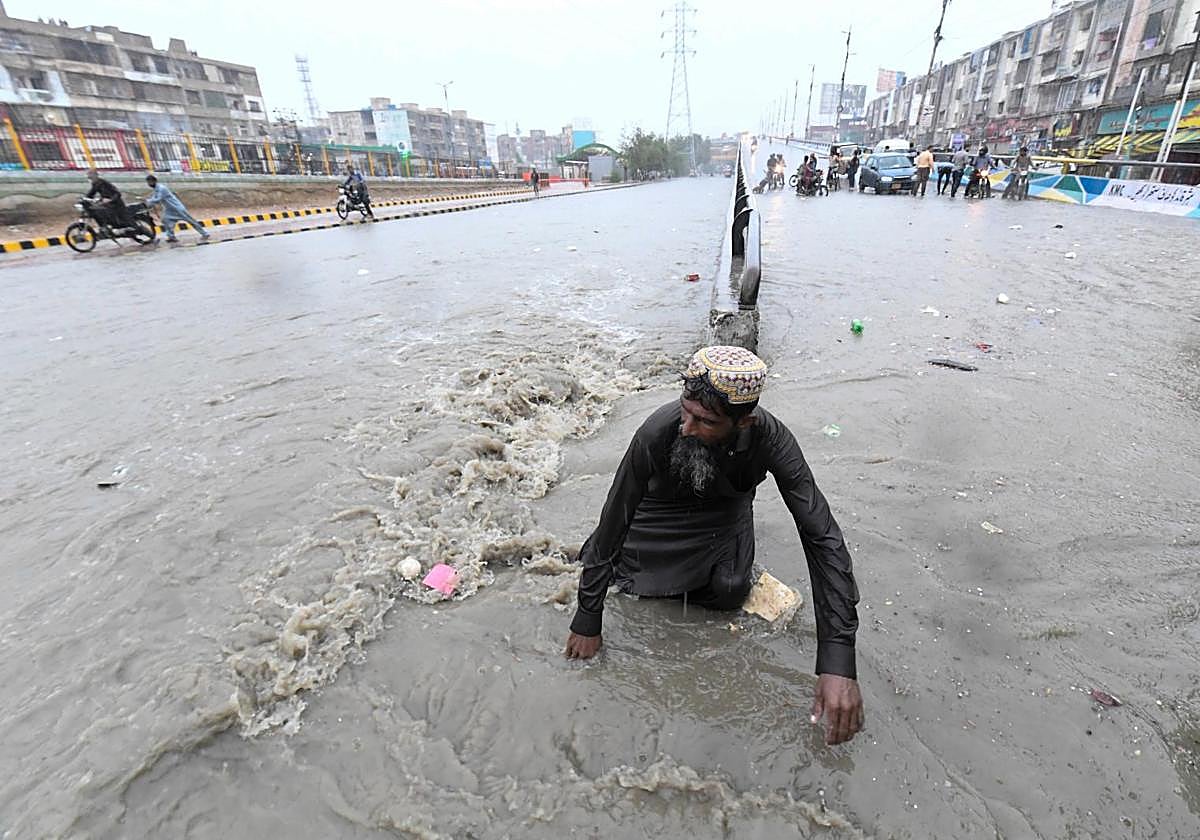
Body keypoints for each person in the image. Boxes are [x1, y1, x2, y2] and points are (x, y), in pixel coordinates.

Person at [564, 346, 865, 746]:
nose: (687, 427)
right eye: (685, 410)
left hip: (724, 514)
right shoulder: (657, 431)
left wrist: (838, 661)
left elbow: (821, 536)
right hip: (656, 516)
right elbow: (614, 518)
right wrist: (588, 618)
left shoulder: (772, 440)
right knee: (628, 579)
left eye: (706, 421)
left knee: (728, 589)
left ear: (744, 422)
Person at [144, 175, 209, 242]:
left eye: (149, 182)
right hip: (169, 209)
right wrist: (148, 203)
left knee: (191, 221)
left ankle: (205, 233)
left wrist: (148, 201)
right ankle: (171, 237)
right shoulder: (156, 189)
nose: (148, 184)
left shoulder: (162, 188)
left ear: (154, 181)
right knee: (165, 220)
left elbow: (158, 199)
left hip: (177, 208)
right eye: (148, 182)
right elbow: (154, 198)